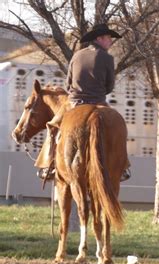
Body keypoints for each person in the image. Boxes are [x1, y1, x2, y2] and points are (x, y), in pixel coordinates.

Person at [35, 24, 130, 181]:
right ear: (99, 38)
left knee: (53, 127)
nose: (110, 41)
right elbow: (110, 86)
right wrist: (98, 94)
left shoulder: (76, 56)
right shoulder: (107, 58)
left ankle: (48, 166)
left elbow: (68, 84)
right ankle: (123, 167)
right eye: (108, 38)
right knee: (119, 128)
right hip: (99, 102)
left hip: (74, 103)